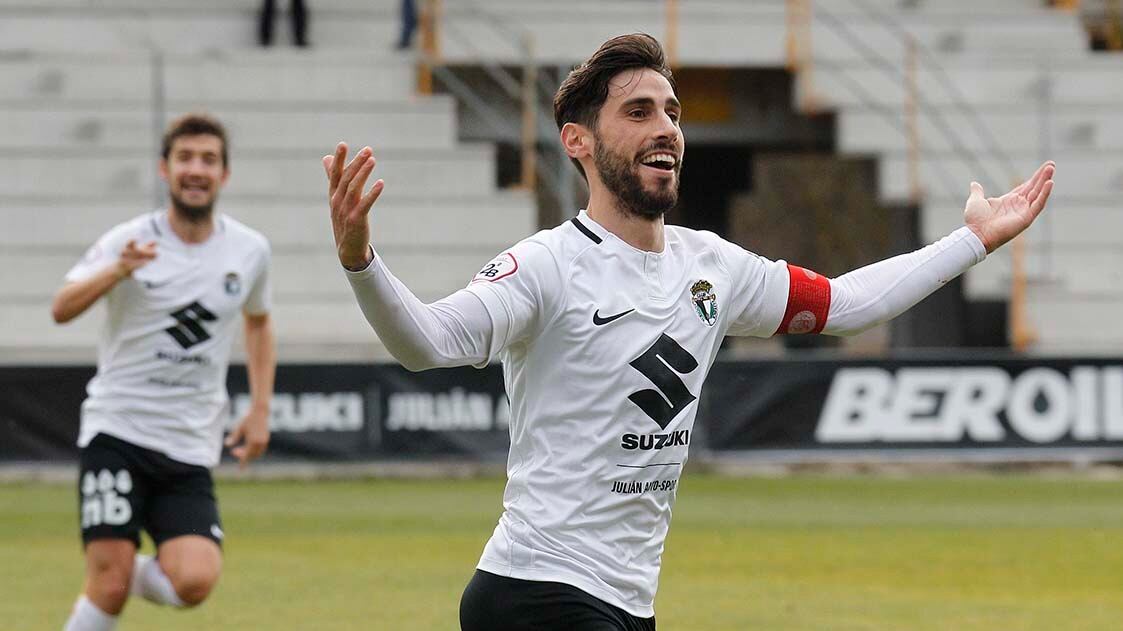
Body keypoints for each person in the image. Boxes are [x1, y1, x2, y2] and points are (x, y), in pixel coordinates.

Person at [322, 33, 1055, 631]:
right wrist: (361, 261)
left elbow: (842, 305)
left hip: (626, 600)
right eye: (637, 111)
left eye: (670, 110)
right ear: (577, 142)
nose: (665, 126)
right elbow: (425, 342)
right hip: (535, 590)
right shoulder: (546, 266)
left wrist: (973, 241)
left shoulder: (714, 266)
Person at [53, 113, 276, 631]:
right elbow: (61, 308)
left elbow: (259, 323)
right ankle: (110, 570)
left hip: (189, 442)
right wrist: (117, 271)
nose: (196, 169)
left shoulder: (249, 250)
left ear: (224, 174)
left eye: (209, 159)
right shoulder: (128, 241)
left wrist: (260, 408)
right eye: (185, 158)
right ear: (164, 169)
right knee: (108, 588)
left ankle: (114, 564)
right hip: (118, 430)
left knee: (194, 582)